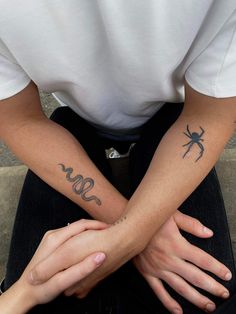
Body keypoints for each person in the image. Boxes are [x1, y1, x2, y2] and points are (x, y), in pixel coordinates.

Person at [0, 0, 236, 313]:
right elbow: (18, 119)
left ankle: (84, 130)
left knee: (72, 126)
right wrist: (134, 234)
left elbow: (209, 115)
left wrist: (127, 236)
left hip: (177, 111)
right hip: (177, 112)